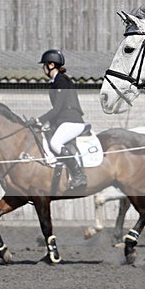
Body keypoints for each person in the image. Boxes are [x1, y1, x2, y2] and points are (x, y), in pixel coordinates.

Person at [37, 49, 88, 190]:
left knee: (55, 143)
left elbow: (57, 109)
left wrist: (39, 120)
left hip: (73, 121)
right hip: (64, 121)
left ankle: (78, 175)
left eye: (44, 65)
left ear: (51, 65)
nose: (43, 68)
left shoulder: (62, 81)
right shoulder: (55, 82)